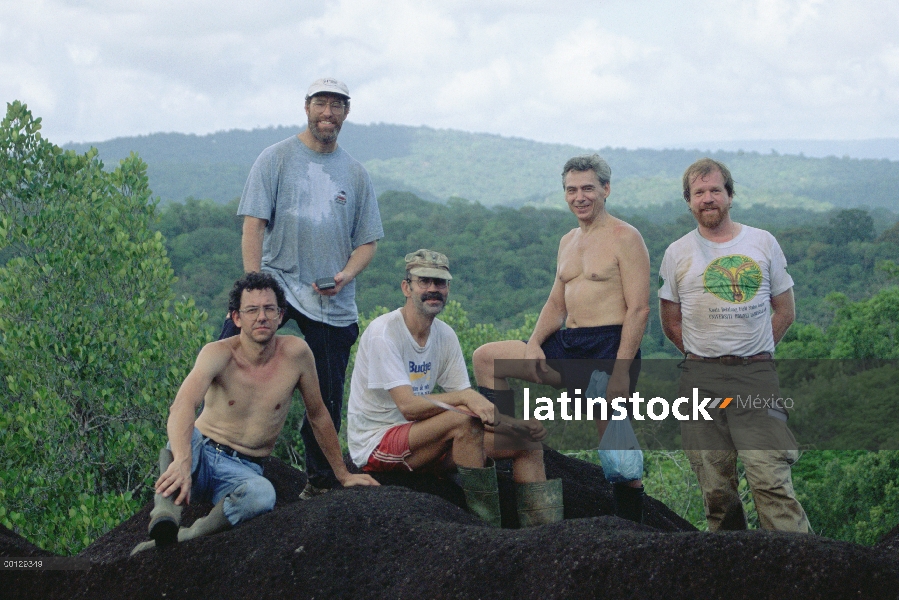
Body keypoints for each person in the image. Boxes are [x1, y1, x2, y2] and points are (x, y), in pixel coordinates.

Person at [133, 273, 378, 555]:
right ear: (237, 318)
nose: (261, 317)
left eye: (269, 309)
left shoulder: (297, 354)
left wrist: (343, 475)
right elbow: (182, 406)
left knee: (263, 495)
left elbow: (319, 414)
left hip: (244, 469)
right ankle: (165, 516)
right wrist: (183, 461)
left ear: (280, 315)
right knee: (181, 443)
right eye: (252, 310)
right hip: (201, 451)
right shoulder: (218, 353)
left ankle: (187, 536)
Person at [221, 77, 384, 499]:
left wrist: (346, 274)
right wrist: (252, 289)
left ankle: (321, 482)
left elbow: (367, 241)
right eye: (321, 104)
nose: (328, 113)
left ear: (347, 113)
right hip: (277, 281)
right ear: (306, 107)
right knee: (226, 357)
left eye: (336, 106)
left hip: (331, 297)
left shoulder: (356, 174)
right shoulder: (275, 159)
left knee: (326, 391)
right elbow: (253, 224)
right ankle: (211, 453)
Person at [471, 154, 650, 523]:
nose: (579, 196)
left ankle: (636, 528)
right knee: (488, 358)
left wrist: (620, 373)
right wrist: (535, 341)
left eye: (587, 188)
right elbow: (556, 302)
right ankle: (504, 443)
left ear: (606, 189)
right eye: (572, 190)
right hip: (567, 344)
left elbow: (638, 310)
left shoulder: (626, 237)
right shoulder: (568, 240)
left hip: (607, 349)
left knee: (618, 454)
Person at [347, 250, 562, 528]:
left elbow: (474, 410)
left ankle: (547, 534)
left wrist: (514, 425)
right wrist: (465, 398)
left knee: (527, 443)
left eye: (440, 283)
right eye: (424, 281)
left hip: (429, 437)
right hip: (379, 441)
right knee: (463, 417)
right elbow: (409, 407)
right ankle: (486, 528)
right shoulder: (384, 333)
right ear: (406, 287)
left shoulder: (445, 335)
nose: (433, 289)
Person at [658, 157, 809, 532]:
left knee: (770, 480)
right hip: (699, 380)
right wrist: (707, 356)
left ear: (729, 195)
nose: (707, 198)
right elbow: (671, 322)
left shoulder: (762, 242)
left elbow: (785, 311)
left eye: (714, 190)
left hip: (756, 377)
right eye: (699, 193)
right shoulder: (677, 252)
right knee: (716, 491)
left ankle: (801, 573)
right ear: (688, 201)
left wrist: (751, 351)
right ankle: (731, 574)